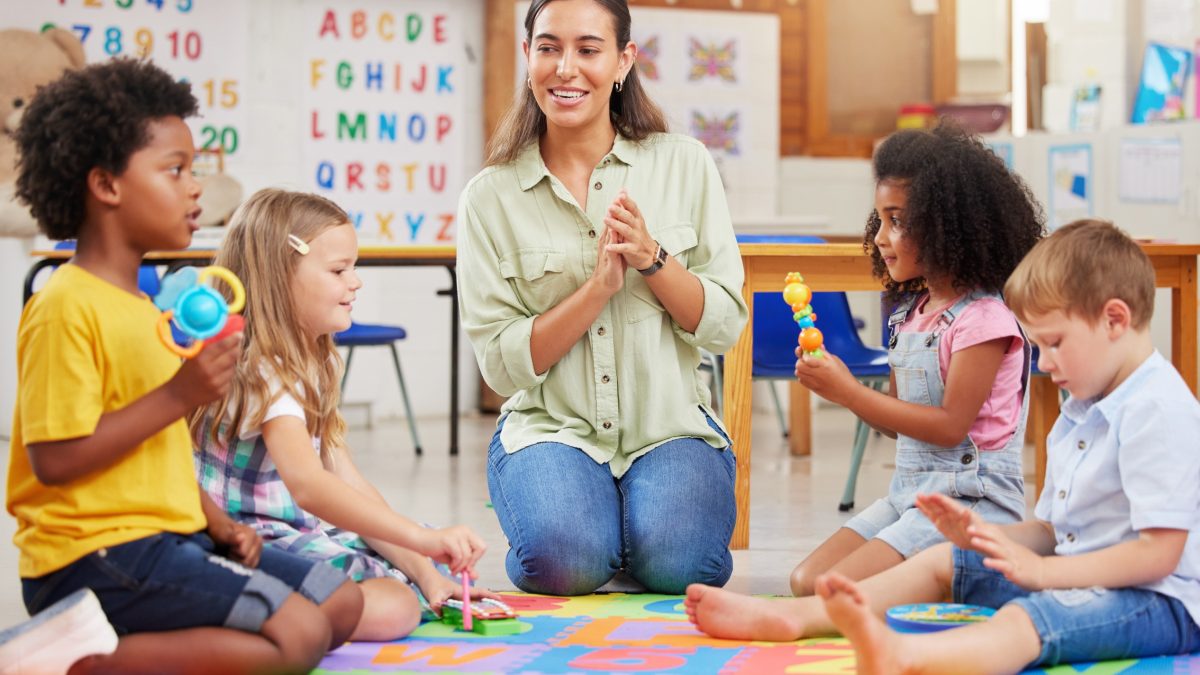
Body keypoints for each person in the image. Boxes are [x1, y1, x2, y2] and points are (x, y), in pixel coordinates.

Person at [685, 219, 1200, 673]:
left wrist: (1045, 573)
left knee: (1031, 618)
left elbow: (1158, 555)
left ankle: (910, 659)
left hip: (1157, 600)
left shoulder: (1155, 408)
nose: (1042, 364)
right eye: (1038, 346)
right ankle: (796, 617)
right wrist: (982, 538)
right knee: (944, 561)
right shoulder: (1083, 405)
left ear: (1115, 319)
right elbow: (1053, 531)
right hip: (1076, 577)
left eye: (1054, 344)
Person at [7, 59, 362, 674]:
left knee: (338, 600)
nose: (196, 187)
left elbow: (154, 456)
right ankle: (68, 660)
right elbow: (55, 459)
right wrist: (180, 393)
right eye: (176, 170)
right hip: (93, 556)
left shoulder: (145, 310)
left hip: (170, 538)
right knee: (298, 635)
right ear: (106, 186)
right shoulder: (64, 305)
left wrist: (218, 524)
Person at [457, 0, 748, 596]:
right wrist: (595, 292)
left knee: (682, 569)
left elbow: (723, 326)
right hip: (552, 429)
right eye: (548, 47)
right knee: (564, 565)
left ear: (623, 62)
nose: (566, 68)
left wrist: (653, 260)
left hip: (669, 428)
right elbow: (504, 366)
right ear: (528, 56)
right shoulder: (489, 197)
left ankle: (630, 527)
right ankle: (595, 527)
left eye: (588, 50)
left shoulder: (684, 164)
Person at [192, 188, 492, 642]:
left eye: (354, 267)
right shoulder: (262, 369)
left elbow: (346, 480)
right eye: (339, 270)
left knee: (417, 558)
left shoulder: (314, 358)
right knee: (394, 605)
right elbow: (310, 487)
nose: (356, 282)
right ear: (279, 275)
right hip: (248, 540)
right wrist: (421, 545)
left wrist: (425, 569)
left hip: (293, 527)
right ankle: (245, 612)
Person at [784, 123, 1045, 596]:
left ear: (948, 224)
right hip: (910, 497)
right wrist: (837, 387)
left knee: (831, 592)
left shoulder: (985, 320)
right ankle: (932, 582)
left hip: (971, 503)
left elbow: (949, 427)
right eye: (880, 219)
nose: (882, 237)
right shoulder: (911, 314)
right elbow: (897, 422)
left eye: (898, 220)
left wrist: (850, 390)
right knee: (806, 581)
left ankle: (967, 571)